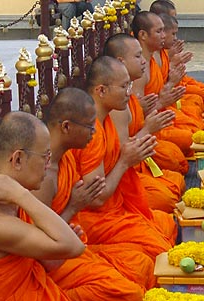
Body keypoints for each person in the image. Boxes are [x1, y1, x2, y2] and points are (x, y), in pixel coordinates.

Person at [0, 111, 123, 301]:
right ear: (18, 159)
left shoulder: (2, 195)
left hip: (39, 300)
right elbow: (74, 247)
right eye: (45, 157)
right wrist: (21, 195)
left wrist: (59, 243)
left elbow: (49, 262)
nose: (48, 165)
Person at [33, 87, 156, 301]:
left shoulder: (66, 155)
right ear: (67, 127)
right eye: (89, 126)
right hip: (53, 264)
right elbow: (40, 247)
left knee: (142, 265)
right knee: (130, 295)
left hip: (75, 245)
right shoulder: (42, 174)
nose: (93, 132)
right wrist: (73, 207)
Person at [72, 56, 177, 263]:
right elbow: (97, 199)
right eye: (123, 87)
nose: (129, 93)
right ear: (101, 91)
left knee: (166, 224)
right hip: (90, 219)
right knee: (153, 254)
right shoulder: (90, 132)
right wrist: (125, 161)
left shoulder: (107, 118)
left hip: (116, 204)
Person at [103, 33, 186, 213]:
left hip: (135, 165)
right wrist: (149, 126)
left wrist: (167, 90)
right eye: (137, 56)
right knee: (167, 198)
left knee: (177, 170)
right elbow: (123, 155)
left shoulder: (123, 93)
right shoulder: (114, 104)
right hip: (117, 186)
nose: (143, 61)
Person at [131, 11, 203, 157]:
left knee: (195, 124)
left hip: (161, 115)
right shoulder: (139, 72)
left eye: (164, 31)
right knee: (178, 156)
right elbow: (136, 120)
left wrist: (171, 80)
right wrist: (168, 89)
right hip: (151, 128)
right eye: (159, 31)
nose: (164, 35)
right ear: (143, 35)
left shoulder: (152, 57)